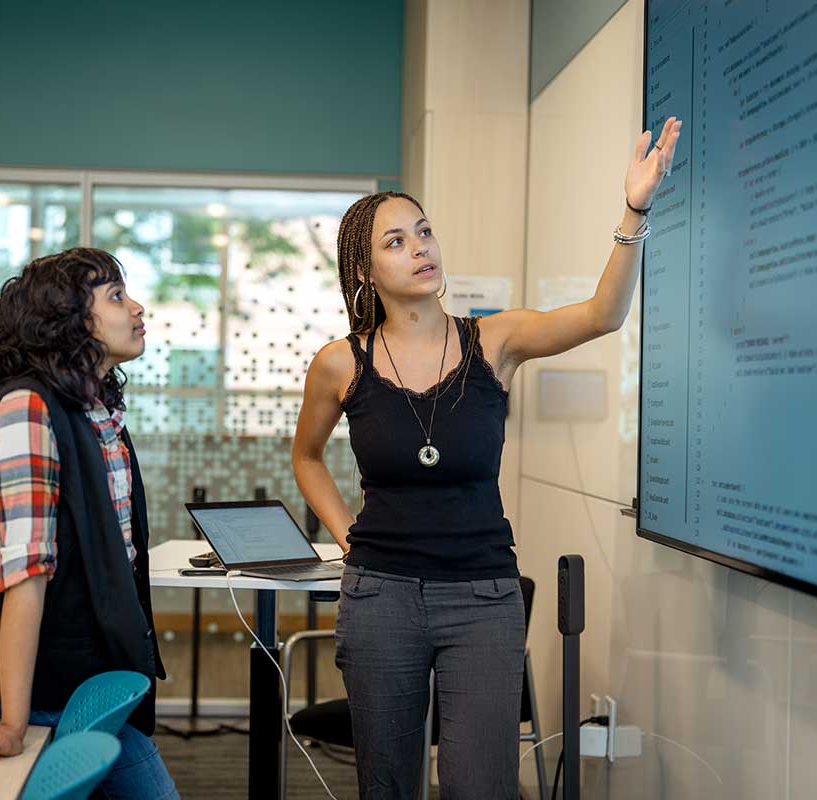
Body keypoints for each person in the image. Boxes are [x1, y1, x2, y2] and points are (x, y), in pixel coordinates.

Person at [292, 118, 683, 797]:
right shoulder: (338, 363)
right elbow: (307, 457)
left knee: (480, 785)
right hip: (378, 595)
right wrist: (343, 534)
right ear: (364, 270)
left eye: (424, 230)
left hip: (482, 597)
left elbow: (601, 315)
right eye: (397, 240)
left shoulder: (494, 340)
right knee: (386, 785)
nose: (421, 247)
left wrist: (634, 209)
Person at [0, 248, 179, 800]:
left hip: (87, 676)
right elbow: (25, 579)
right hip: (47, 685)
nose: (137, 307)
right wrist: (12, 725)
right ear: (69, 320)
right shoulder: (26, 410)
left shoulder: (94, 408)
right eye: (115, 296)